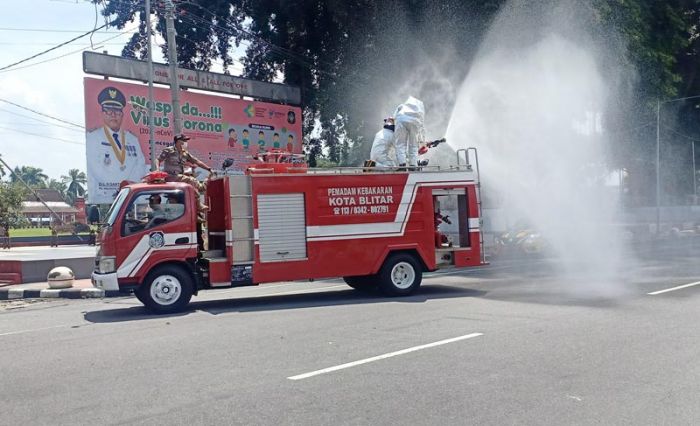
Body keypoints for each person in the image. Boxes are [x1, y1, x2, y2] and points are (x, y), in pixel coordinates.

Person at [86, 86, 149, 203]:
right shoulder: (92, 138)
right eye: (109, 110)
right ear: (102, 113)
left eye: (117, 111)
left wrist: (127, 188)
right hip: (104, 196)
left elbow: (140, 166)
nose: (113, 115)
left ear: (122, 114)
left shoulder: (133, 139)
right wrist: (122, 187)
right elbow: (97, 171)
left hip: (131, 195)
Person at [157, 134, 213, 216]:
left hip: (179, 177)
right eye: (184, 140)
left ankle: (195, 210)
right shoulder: (169, 151)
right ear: (178, 141)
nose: (185, 142)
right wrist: (158, 171)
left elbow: (196, 161)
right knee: (191, 180)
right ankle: (199, 205)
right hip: (170, 176)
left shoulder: (185, 153)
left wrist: (208, 168)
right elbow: (158, 160)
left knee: (191, 187)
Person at [393, 96, 427, 169]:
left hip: (401, 120)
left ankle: (402, 165)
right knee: (413, 145)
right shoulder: (420, 109)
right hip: (415, 123)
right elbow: (422, 126)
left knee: (400, 144)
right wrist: (422, 140)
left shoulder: (402, 106)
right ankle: (413, 165)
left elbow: (394, 117)